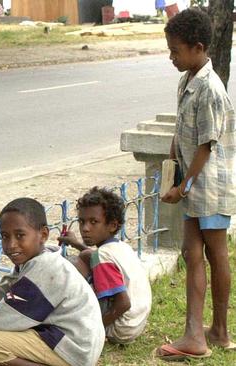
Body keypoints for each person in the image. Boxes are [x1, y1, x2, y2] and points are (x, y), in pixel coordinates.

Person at [155, 8, 236, 361]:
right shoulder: (187, 79)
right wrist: (173, 163)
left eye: (176, 51)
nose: (172, 57)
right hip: (192, 182)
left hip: (211, 185)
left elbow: (207, 143)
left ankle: (215, 331)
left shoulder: (211, 88)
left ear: (198, 47)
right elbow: (183, 132)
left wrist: (183, 186)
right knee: (192, 253)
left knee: (215, 254)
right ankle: (198, 332)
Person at [0, 198, 105, 366]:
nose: (11, 244)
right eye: (5, 236)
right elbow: (11, 281)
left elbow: (6, 319)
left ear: (43, 234)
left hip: (72, 348)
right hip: (71, 341)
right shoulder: (38, 258)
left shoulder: (45, 267)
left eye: (20, 235)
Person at [58, 187, 152, 344]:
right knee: (87, 255)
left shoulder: (103, 256)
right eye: (82, 221)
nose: (85, 228)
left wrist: (95, 330)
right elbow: (93, 255)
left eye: (93, 222)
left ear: (113, 225)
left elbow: (123, 303)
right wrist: (76, 243)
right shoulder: (121, 246)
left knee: (75, 264)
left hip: (120, 328)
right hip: (136, 322)